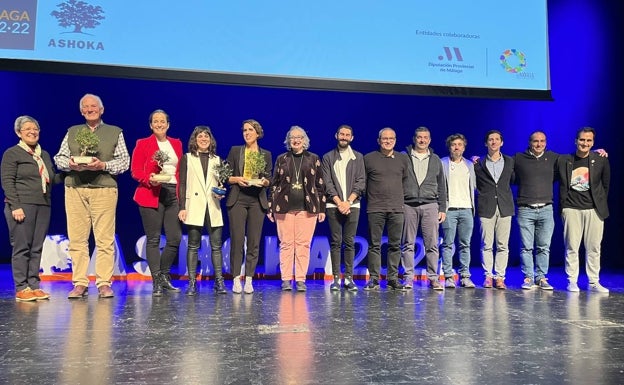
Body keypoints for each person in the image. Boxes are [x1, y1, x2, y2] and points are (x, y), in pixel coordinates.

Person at [54, 94, 130, 299]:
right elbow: (59, 158)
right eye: (85, 107)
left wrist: (103, 165)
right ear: (81, 111)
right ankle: (79, 282)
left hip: (104, 189)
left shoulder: (115, 132)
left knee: (104, 239)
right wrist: (69, 164)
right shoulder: (72, 132)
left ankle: (104, 282)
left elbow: (124, 162)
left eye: (93, 106)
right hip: (75, 189)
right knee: (77, 239)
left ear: (101, 109)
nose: (90, 109)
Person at [2, 116, 61, 301]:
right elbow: (7, 182)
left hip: (43, 205)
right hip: (21, 205)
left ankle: (34, 285)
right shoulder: (12, 153)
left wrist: (74, 173)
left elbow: (51, 179)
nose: (32, 131)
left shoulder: (43, 155)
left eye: (35, 128)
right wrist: (15, 206)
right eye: (27, 128)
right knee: (22, 247)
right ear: (19, 132)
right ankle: (22, 287)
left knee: (36, 248)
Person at [130, 109, 183, 296]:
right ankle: (157, 282)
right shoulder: (143, 144)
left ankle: (163, 275)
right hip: (151, 192)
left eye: (162, 121)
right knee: (153, 239)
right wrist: (149, 179)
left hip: (172, 193)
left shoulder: (176, 144)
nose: (159, 124)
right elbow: (135, 170)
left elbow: (179, 171)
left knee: (175, 238)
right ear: (151, 125)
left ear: (168, 124)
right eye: (155, 121)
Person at [268, 126, 326, 292]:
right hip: (283, 207)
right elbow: (274, 184)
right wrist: (270, 207)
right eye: (292, 137)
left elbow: (320, 185)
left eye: (299, 137)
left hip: (308, 208)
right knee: (286, 244)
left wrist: (321, 208)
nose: (296, 140)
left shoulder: (313, 158)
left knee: (303, 244)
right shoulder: (282, 158)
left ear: (304, 140)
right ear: (288, 140)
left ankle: (300, 279)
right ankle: (286, 279)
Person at [556, 127, 610, 293]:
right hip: (571, 208)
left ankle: (593, 282)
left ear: (593, 143)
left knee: (594, 247)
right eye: (582, 140)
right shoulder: (565, 160)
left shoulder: (600, 160)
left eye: (588, 141)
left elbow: (605, 185)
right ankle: (572, 281)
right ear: (576, 141)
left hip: (594, 210)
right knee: (572, 247)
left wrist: (599, 204)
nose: (585, 143)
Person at [178, 126, 227, 295]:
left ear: (211, 139)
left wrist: (221, 192)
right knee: (193, 246)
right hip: (194, 205)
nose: (204, 139)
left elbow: (220, 183)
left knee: (216, 246)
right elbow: (182, 184)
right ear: (195, 139)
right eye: (200, 136)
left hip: (213, 205)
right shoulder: (187, 158)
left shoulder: (217, 159)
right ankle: (192, 282)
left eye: (207, 136)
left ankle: (219, 281)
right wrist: (182, 207)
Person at [226, 119, 272, 294]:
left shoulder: (265, 154)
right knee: (237, 240)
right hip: (238, 198)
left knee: (254, 242)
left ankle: (250, 279)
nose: (246, 133)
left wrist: (265, 181)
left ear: (257, 133)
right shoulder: (236, 151)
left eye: (250, 130)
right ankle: (236, 278)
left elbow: (269, 178)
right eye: (244, 130)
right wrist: (238, 179)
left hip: (257, 201)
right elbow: (226, 176)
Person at [363, 128, 410, 291]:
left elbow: (405, 182)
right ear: (378, 141)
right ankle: (374, 279)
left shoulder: (403, 159)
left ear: (395, 140)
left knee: (395, 245)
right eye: (384, 138)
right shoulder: (368, 158)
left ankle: (392, 278)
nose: (388, 141)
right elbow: (364, 183)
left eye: (391, 138)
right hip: (375, 208)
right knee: (374, 245)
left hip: (397, 208)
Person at [401, 127, 447, 290]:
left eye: (425, 137)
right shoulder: (403, 157)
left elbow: (442, 185)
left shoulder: (436, 160)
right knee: (408, 243)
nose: (422, 140)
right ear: (414, 139)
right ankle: (408, 278)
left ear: (430, 140)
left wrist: (442, 207)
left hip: (430, 205)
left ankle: (433, 278)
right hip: (408, 205)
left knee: (432, 244)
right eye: (419, 137)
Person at [321, 124, 366, 292]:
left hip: (353, 205)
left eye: (347, 135)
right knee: (335, 242)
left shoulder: (358, 157)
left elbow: (361, 181)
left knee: (349, 242)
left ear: (352, 138)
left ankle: (349, 278)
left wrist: (348, 201)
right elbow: (327, 182)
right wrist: (339, 202)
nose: (344, 137)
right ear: (336, 135)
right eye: (342, 134)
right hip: (334, 204)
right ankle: (335, 279)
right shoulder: (327, 157)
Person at [474, 130, 514, 290]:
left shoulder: (510, 162)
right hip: (486, 207)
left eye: (497, 139)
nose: (494, 142)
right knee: (486, 244)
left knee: (503, 245)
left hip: (505, 207)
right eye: (491, 139)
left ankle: (500, 277)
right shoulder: (479, 164)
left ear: (502, 143)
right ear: (486, 143)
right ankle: (488, 276)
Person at [440, 133, 477, 289]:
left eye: (460, 144)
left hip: (467, 209)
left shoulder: (469, 165)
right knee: (448, 244)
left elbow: (474, 185)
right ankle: (448, 276)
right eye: (454, 144)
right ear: (449, 147)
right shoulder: (443, 163)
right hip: (450, 210)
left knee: (465, 244)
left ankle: (465, 276)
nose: (457, 147)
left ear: (464, 147)